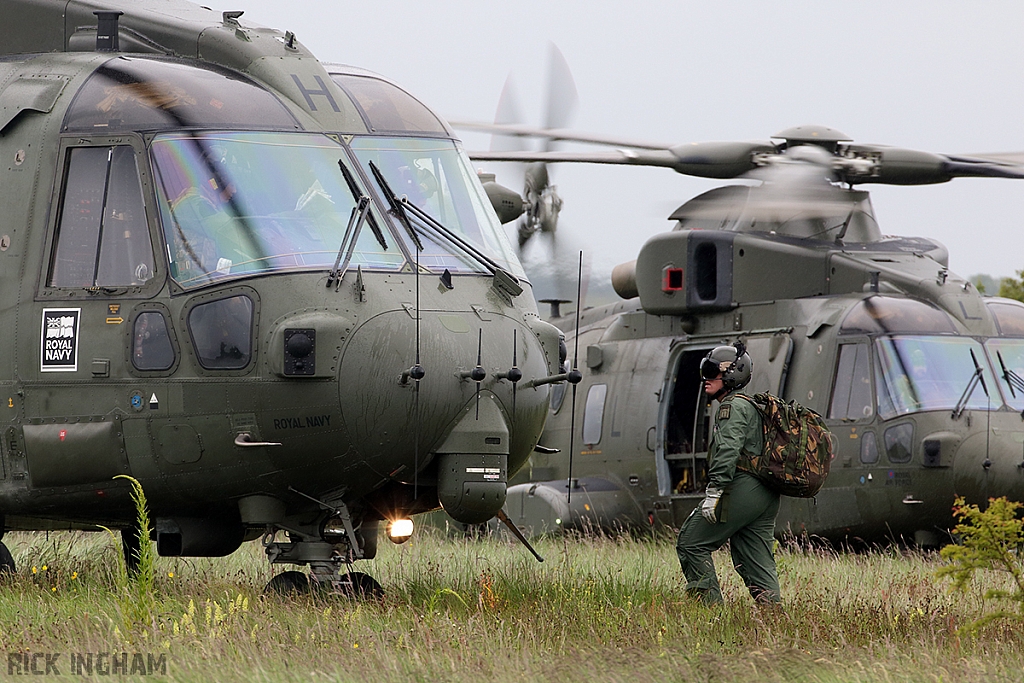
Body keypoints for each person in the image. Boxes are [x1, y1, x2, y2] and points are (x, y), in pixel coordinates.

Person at [675, 343, 782, 605]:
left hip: (742, 488)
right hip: (765, 493)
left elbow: (727, 450)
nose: (705, 379)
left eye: (712, 372)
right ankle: (774, 617)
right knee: (755, 555)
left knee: (691, 542)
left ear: (732, 374)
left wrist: (714, 492)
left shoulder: (731, 407)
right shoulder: (751, 406)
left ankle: (708, 611)